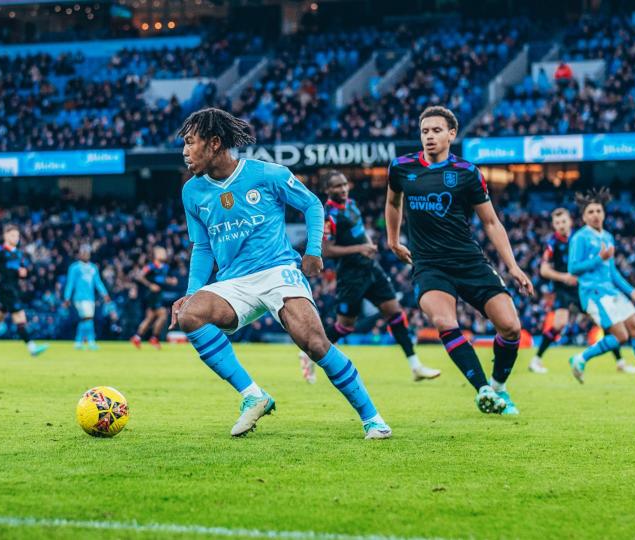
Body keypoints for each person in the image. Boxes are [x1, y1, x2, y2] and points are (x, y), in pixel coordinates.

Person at [170, 107, 392, 439]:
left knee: (315, 344)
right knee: (190, 315)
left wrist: (313, 250)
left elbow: (313, 205)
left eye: (190, 142)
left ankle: (372, 418)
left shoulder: (267, 174)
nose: (185, 151)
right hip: (234, 282)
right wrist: (192, 291)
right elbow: (202, 247)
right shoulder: (192, 191)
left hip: (278, 271)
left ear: (214, 143)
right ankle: (253, 396)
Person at [386, 106, 534, 415]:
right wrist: (392, 239)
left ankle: (498, 387)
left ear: (452, 134)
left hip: (469, 262)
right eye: (425, 131)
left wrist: (514, 266)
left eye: (436, 130)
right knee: (444, 322)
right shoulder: (401, 167)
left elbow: (491, 223)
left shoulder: (467, 172)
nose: (429, 136)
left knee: (510, 327)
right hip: (429, 265)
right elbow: (392, 201)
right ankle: (482, 390)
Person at [298, 170, 440, 384]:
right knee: (345, 326)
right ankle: (309, 353)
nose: (343, 189)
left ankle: (416, 366)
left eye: (345, 184)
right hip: (350, 275)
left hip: (371, 269)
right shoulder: (328, 215)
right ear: (327, 190)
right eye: (337, 186)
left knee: (396, 314)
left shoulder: (352, 204)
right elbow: (326, 250)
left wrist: (367, 245)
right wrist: (360, 248)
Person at [567, 189, 635, 386]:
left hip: (612, 291)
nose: (595, 215)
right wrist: (598, 259)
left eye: (598, 210)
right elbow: (573, 268)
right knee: (620, 336)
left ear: (604, 213)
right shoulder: (580, 238)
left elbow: (612, 271)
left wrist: (632, 291)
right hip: (593, 293)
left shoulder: (607, 237)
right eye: (590, 212)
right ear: (583, 216)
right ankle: (581, 359)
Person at [529, 208, 635, 374]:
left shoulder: (580, 238)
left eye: (563, 221)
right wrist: (564, 277)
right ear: (553, 225)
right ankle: (536, 360)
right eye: (557, 223)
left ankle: (620, 362)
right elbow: (544, 270)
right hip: (563, 289)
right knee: (559, 324)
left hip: (582, 288)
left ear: (570, 221)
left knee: (605, 322)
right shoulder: (552, 243)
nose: (561, 225)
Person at [0, 224, 48, 357]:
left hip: (15, 287)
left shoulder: (18, 253)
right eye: (12, 235)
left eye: (17, 235)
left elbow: (24, 270)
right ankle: (31, 347)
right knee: (20, 316)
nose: (15, 238)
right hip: (4, 288)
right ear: (5, 236)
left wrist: (25, 272)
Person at [65, 245, 111, 350]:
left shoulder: (93, 268)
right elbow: (70, 283)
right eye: (83, 252)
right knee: (88, 318)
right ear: (80, 254)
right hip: (79, 297)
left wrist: (105, 294)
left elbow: (98, 282)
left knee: (85, 320)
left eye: (87, 253)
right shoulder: (74, 267)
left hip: (90, 298)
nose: (86, 254)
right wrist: (67, 297)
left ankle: (79, 342)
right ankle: (90, 341)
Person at [130, 247, 177, 350]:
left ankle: (137, 337)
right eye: (161, 252)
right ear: (156, 254)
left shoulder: (165, 267)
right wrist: (150, 285)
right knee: (163, 314)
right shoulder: (150, 266)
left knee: (150, 318)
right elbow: (139, 276)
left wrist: (171, 281)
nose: (164, 254)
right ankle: (154, 338)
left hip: (159, 295)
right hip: (152, 295)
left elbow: (162, 279)